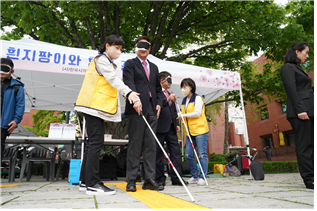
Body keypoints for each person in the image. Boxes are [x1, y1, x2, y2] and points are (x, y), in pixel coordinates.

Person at [74, 35, 140, 195]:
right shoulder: (101, 60)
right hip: (93, 107)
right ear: (107, 45)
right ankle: (93, 184)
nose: (119, 51)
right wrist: (129, 92)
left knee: (92, 144)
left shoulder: (104, 62)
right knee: (96, 143)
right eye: (117, 48)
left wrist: (125, 93)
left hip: (93, 107)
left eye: (121, 49)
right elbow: (113, 79)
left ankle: (85, 181)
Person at [123, 36, 165, 192]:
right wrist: (134, 99)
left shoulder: (154, 67)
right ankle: (131, 179)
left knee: (150, 145)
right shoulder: (130, 64)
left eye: (146, 46)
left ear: (149, 49)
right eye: (140, 46)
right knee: (135, 144)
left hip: (152, 109)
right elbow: (128, 83)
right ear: (135, 48)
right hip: (137, 108)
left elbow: (157, 89)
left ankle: (149, 179)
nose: (143, 49)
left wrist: (160, 103)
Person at [280, 41, 314, 189]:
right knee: (304, 145)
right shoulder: (287, 67)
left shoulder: (298, 68)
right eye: (305, 52)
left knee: (312, 145)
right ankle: (309, 179)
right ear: (297, 52)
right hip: (300, 112)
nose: (307, 55)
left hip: (309, 110)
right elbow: (291, 90)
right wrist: (300, 110)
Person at [155, 71, 188, 187]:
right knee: (158, 153)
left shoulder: (170, 93)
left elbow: (173, 111)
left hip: (171, 128)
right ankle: (159, 178)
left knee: (175, 152)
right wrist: (167, 99)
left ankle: (177, 177)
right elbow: (155, 106)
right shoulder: (155, 92)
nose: (171, 83)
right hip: (159, 127)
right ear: (162, 81)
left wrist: (176, 123)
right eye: (169, 80)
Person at [177, 78, 209, 186]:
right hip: (189, 132)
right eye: (182, 86)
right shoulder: (184, 100)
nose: (183, 88)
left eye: (185, 86)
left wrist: (183, 115)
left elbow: (197, 113)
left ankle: (203, 177)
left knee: (202, 154)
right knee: (188, 155)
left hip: (200, 130)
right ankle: (195, 176)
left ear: (191, 86)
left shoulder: (198, 98)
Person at [1, 58, 25, 162]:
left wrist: (16, 121)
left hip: (4, 124)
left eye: (5, 69)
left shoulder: (17, 87)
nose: (1, 72)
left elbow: (20, 105)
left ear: (12, 71)